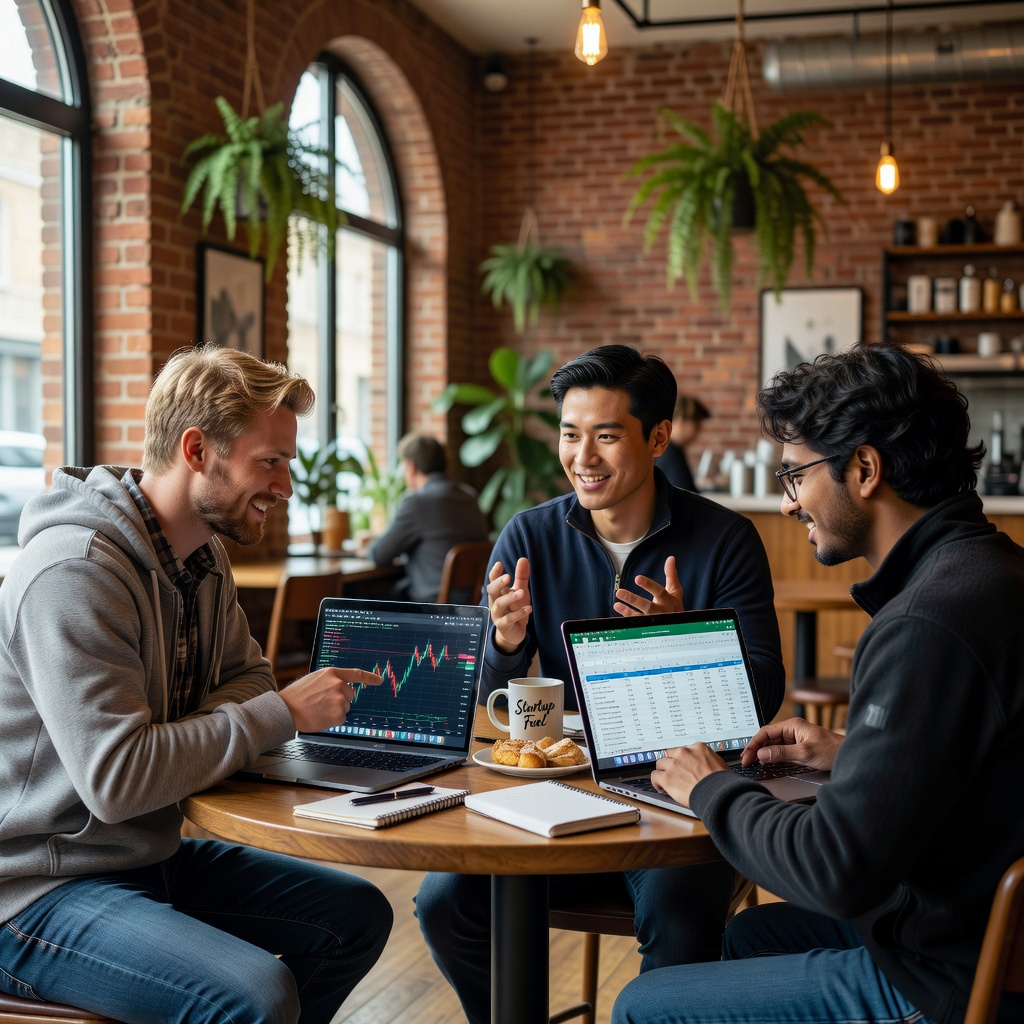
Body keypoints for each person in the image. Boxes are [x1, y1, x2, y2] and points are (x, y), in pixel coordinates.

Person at [612, 343, 1024, 1024]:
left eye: (795, 475)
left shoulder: (929, 621)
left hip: (954, 981)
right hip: (974, 928)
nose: (786, 504)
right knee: (747, 937)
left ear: (863, 468)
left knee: (643, 1006)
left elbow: (836, 870)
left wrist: (708, 785)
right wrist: (854, 753)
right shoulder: (993, 571)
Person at [0, 346, 393, 1024]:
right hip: (35, 887)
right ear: (196, 449)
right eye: (268, 462)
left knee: (354, 915)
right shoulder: (74, 570)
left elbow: (249, 674)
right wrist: (278, 714)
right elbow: (120, 780)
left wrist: (180, 736)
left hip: (143, 857)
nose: (285, 486)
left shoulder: (200, 557)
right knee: (256, 996)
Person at [415, 344, 784, 1024]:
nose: (583, 456)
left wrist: (686, 642)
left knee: (678, 924)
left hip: (682, 794)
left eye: (607, 435)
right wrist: (501, 643)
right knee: (445, 904)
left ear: (658, 437)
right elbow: (480, 700)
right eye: (569, 433)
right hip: (562, 796)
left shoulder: (726, 539)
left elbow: (764, 697)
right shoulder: (528, 536)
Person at [366, 432, 489, 602]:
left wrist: (369, 542)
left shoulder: (416, 502)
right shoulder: (470, 496)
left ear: (411, 467)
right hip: (474, 602)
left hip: (431, 605)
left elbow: (379, 555)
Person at [655, 393, 711, 492]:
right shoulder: (670, 453)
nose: (698, 430)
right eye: (696, 424)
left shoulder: (667, 448)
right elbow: (687, 494)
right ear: (681, 420)